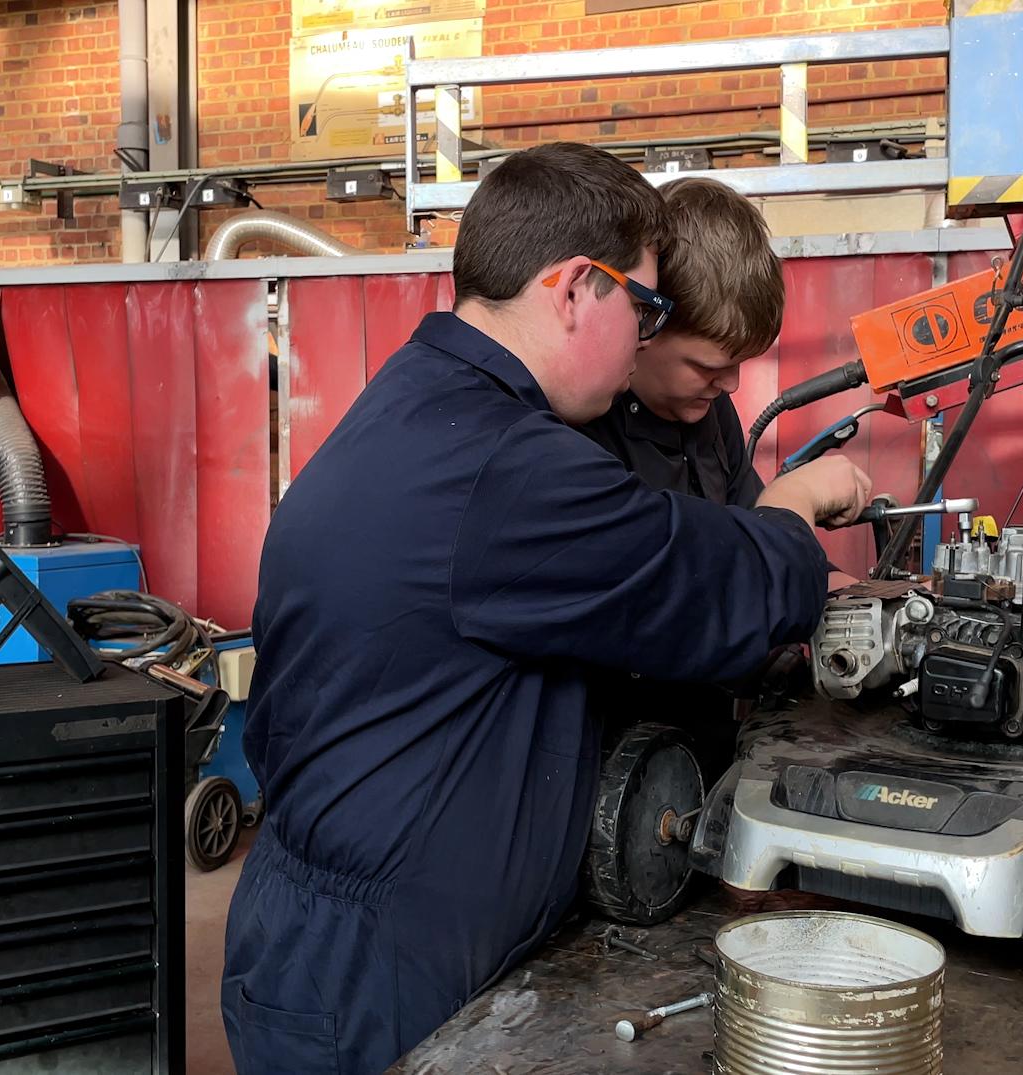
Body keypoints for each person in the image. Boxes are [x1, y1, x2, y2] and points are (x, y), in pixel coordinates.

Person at [220, 141, 873, 1075]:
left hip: (351, 925)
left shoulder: (426, 404)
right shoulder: (504, 466)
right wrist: (794, 519)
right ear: (574, 289)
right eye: (645, 309)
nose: (647, 340)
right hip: (370, 970)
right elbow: (702, 582)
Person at [580, 177, 785, 780]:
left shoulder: (710, 413)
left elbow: (751, 536)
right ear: (645, 325)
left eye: (741, 366)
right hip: (615, 767)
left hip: (703, 743)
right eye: (710, 367)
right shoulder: (584, 435)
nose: (732, 387)